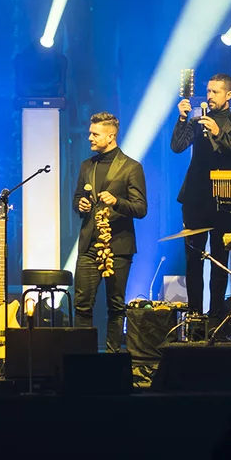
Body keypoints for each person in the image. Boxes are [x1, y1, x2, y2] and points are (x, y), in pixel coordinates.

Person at [170, 73, 231, 319]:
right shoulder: (198, 122)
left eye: (215, 92)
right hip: (195, 198)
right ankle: (195, 316)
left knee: (219, 260)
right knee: (193, 260)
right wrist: (182, 118)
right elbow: (177, 147)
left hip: (224, 200)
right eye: (208, 91)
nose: (210, 96)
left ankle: (217, 316)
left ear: (228, 95)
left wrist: (218, 132)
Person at [73, 112, 148, 353]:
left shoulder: (131, 167)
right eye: (90, 133)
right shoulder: (87, 166)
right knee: (82, 305)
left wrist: (117, 202)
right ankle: (82, 357)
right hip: (89, 244)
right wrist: (80, 205)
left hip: (118, 245)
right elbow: (77, 198)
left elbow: (141, 208)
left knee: (116, 306)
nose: (90, 138)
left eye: (95, 134)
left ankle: (113, 357)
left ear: (111, 136)